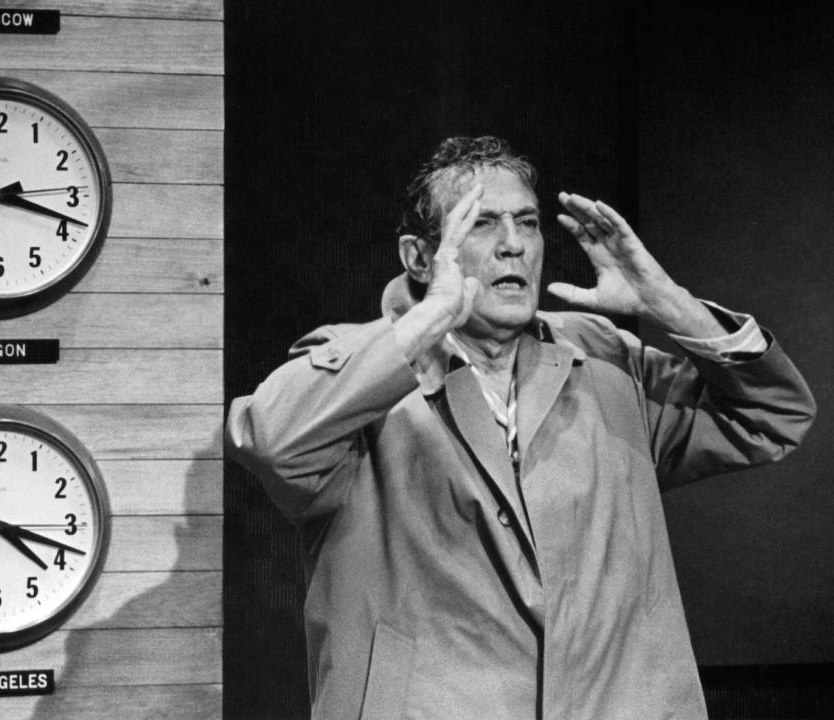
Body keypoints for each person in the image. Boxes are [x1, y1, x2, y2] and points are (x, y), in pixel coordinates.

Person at [225, 136, 815, 719]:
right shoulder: (360, 371)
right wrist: (428, 317)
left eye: (527, 223)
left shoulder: (605, 360)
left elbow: (771, 416)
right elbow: (274, 443)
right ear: (419, 256)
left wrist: (668, 302)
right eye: (482, 224)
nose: (514, 246)